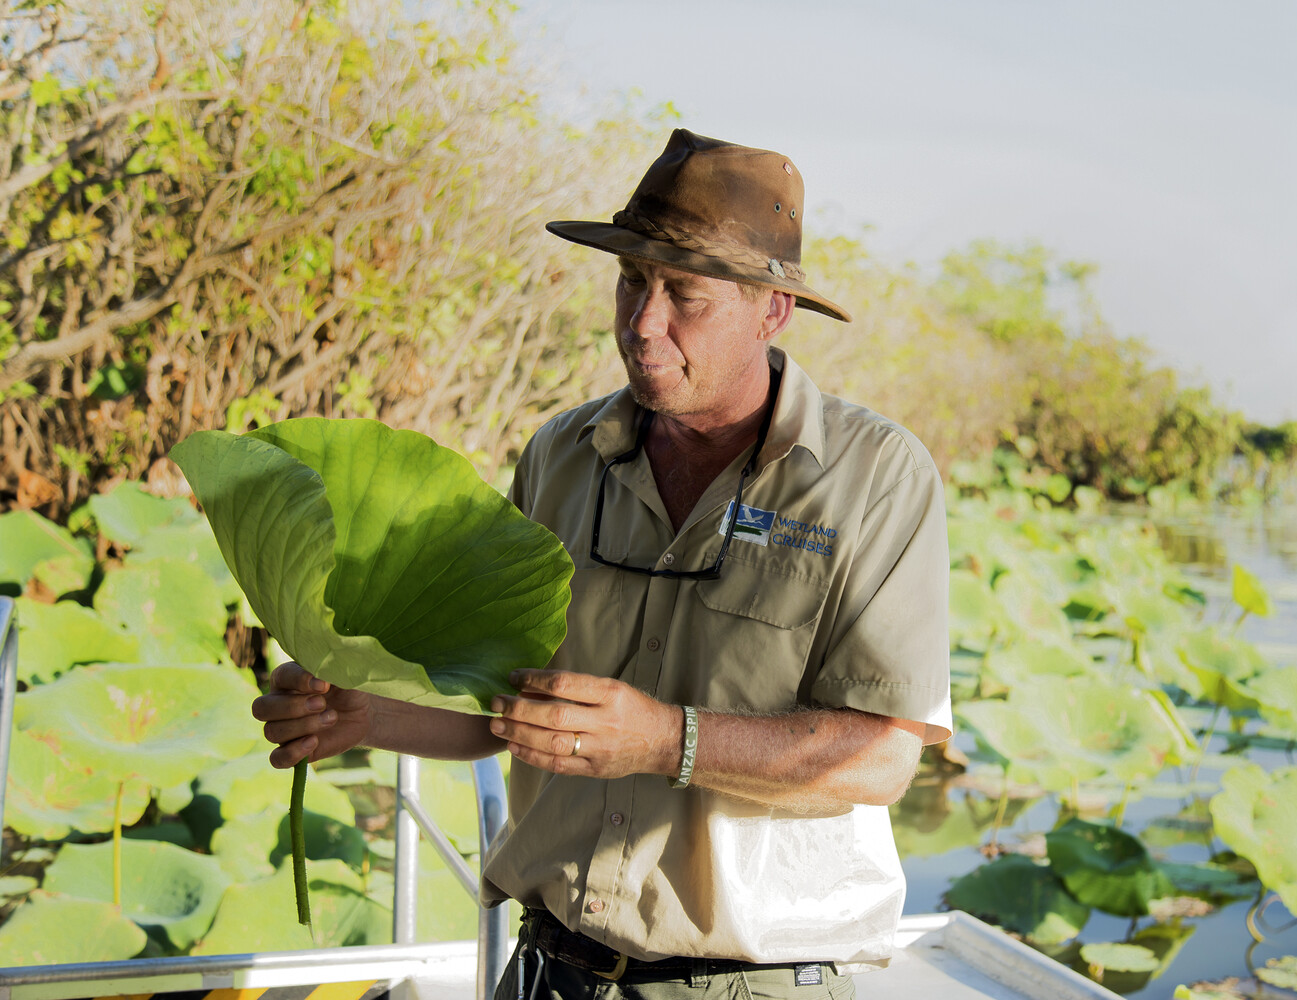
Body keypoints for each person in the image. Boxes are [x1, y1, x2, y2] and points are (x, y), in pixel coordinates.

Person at [253, 129, 952, 999]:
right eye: (631, 282)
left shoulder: (873, 477)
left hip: (751, 983)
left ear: (772, 310)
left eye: (685, 296)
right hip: (553, 966)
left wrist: (665, 740)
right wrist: (358, 715)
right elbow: (503, 705)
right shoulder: (561, 453)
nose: (641, 323)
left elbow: (881, 759)